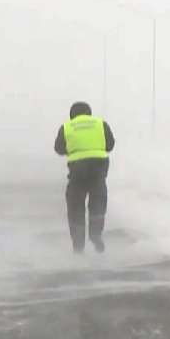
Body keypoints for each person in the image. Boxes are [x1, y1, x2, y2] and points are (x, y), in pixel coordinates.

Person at [53, 101, 115, 253]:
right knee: (98, 202)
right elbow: (110, 145)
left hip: (77, 170)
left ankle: (78, 245)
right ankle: (96, 235)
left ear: (72, 114)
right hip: (99, 168)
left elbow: (59, 149)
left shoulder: (67, 126)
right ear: (89, 112)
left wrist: (74, 148)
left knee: (75, 205)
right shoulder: (100, 124)